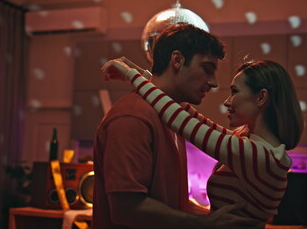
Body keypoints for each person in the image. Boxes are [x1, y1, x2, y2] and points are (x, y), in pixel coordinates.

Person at [93, 23, 261, 229]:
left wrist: (214, 217)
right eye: (207, 69)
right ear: (178, 60)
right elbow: (126, 209)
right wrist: (204, 223)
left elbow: (168, 203)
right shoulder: (132, 117)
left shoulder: (173, 116)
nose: (214, 82)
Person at [102, 58, 304, 227]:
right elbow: (189, 114)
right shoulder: (251, 145)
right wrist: (145, 76)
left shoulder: (259, 155)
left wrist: (131, 76)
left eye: (235, 91)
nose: (227, 101)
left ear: (261, 98)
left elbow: (181, 120)